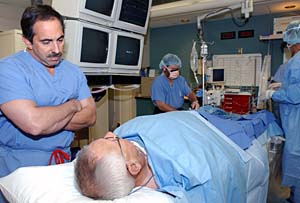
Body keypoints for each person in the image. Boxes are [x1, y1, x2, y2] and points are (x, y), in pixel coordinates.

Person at [0, 5, 96, 201]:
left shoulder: (73, 72)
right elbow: (34, 125)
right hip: (19, 167)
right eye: (46, 42)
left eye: (60, 40)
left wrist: (47, 117)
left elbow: (91, 116)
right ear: (27, 41)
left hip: (63, 164)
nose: (56, 49)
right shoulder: (9, 70)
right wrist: (72, 105)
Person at [75, 110, 271, 203]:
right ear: (133, 167)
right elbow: (215, 183)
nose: (112, 134)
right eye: (112, 141)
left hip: (196, 117)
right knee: (256, 120)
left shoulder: (126, 134)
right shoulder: (193, 174)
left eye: (104, 137)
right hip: (218, 134)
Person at [265, 20, 300, 203]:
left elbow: (296, 94)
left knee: (296, 164)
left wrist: (274, 94)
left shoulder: (297, 61)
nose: (289, 49)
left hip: (296, 125)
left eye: (289, 45)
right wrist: (282, 86)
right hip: (293, 122)